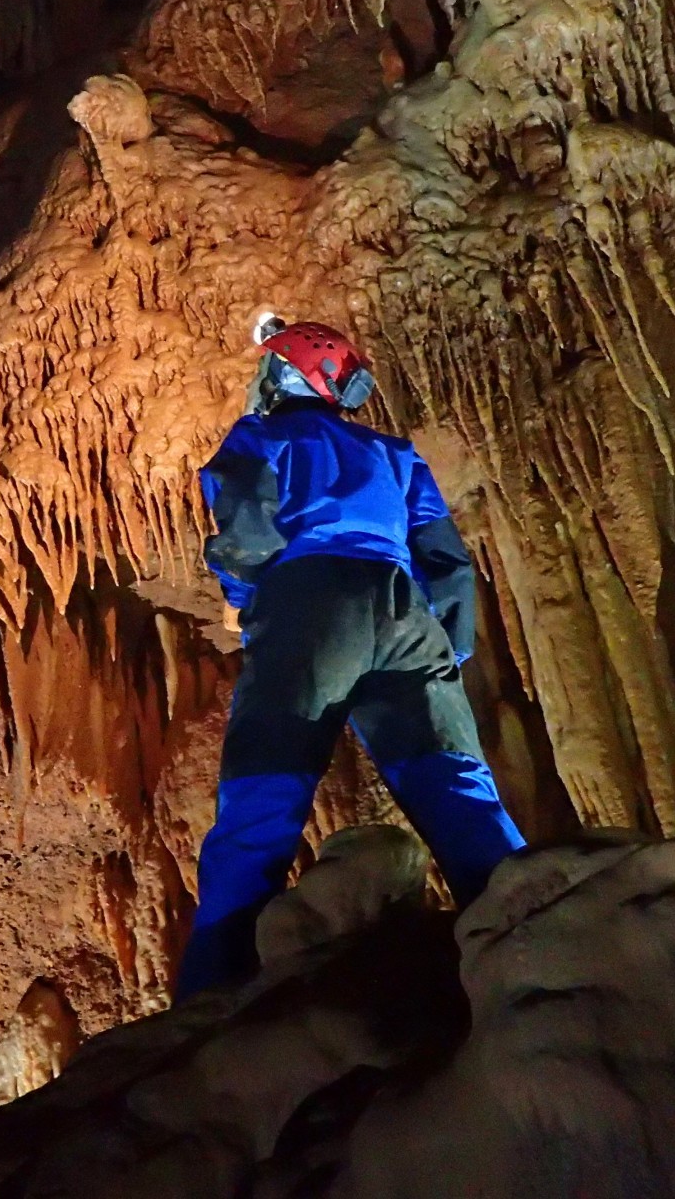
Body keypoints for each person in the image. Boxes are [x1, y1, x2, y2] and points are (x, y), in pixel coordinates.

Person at [175, 316, 527, 999]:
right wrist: (442, 652)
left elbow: (245, 524)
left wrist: (253, 600)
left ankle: (211, 997)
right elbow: (447, 563)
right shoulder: (396, 455)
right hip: (403, 611)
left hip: (308, 603)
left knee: (262, 801)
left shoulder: (262, 436)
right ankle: (535, 936)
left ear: (283, 375)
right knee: (457, 787)